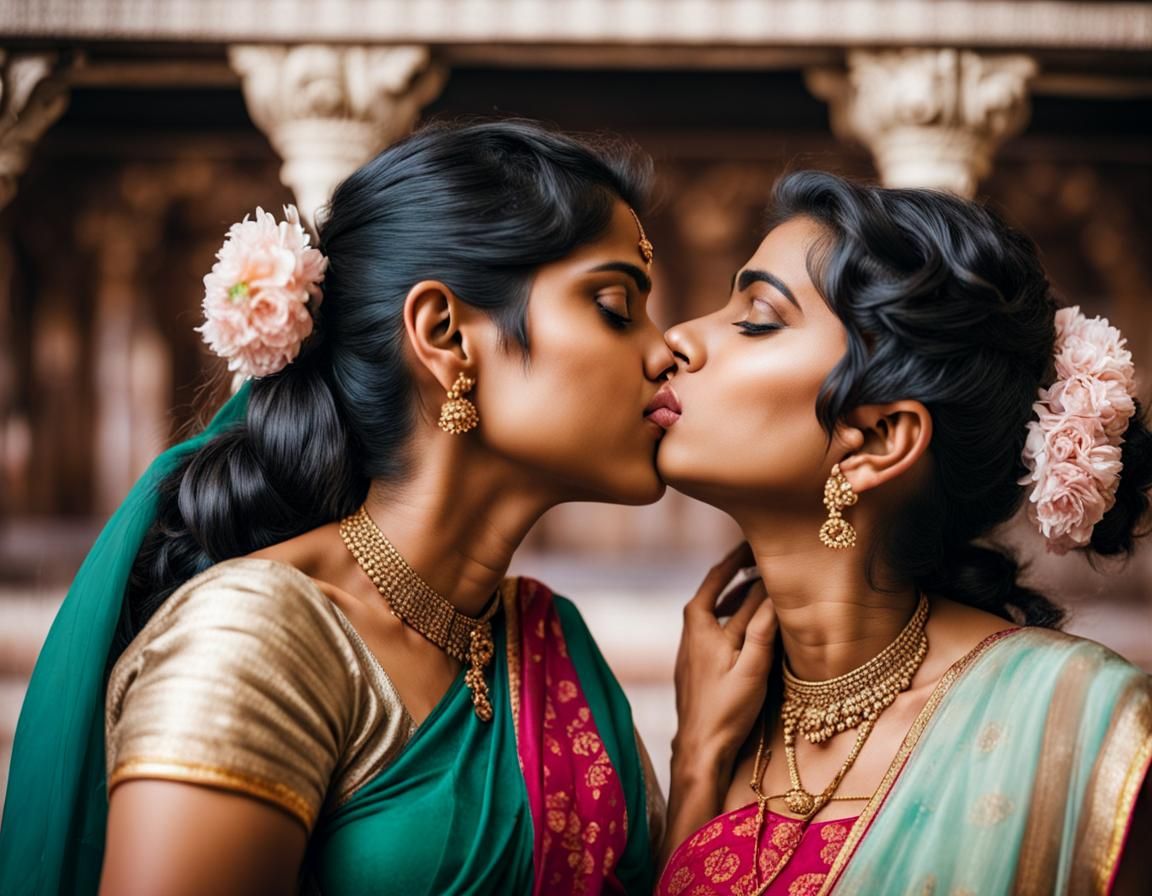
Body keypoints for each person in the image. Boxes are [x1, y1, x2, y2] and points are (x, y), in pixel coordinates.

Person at [0, 120, 674, 895]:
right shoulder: (261, 635)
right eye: (617, 308)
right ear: (446, 334)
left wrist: (700, 765)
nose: (665, 353)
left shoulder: (551, 645)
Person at [653, 171, 1152, 895]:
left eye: (756, 317)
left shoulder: (1076, 727)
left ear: (880, 439)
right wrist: (694, 763)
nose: (678, 339)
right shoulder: (720, 718)